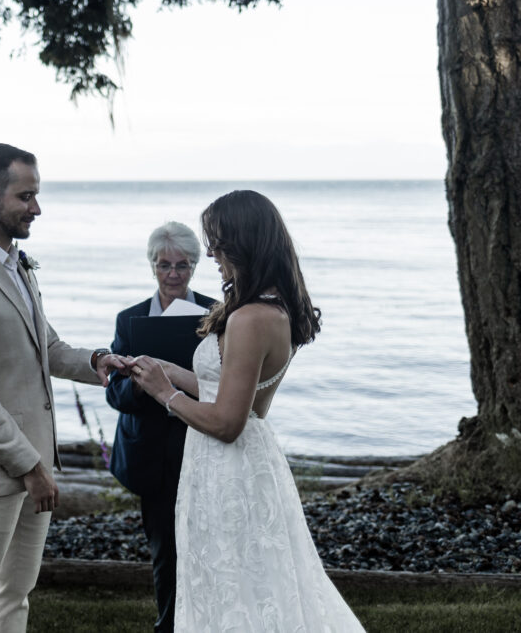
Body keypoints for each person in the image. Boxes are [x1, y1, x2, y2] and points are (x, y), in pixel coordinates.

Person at [130, 190, 365, 631]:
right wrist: (171, 373)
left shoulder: (250, 318)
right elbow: (232, 391)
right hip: (241, 464)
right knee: (252, 582)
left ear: (243, 242)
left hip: (228, 469)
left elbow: (226, 422)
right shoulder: (274, 308)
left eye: (218, 242)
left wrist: (165, 394)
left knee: (232, 583)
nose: (213, 253)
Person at [0, 143, 125, 633]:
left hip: (34, 466)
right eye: (27, 196)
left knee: (15, 595)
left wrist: (98, 361)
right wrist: (31, 467)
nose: (37, 208)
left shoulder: (16, 264)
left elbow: (46, 347)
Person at [105, 222, 216, 633]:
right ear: (152, 265)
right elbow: (115, 395)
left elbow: (226, 384)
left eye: (183, 265)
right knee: (165, 550)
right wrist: (147, 385)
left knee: (206, 546)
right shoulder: (130, 320)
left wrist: (181, 383)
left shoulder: (216, 315)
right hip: (150, 454)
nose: (173, 274)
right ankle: (167, 625)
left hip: (202, 443)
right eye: (164, 265)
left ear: (195, 266)